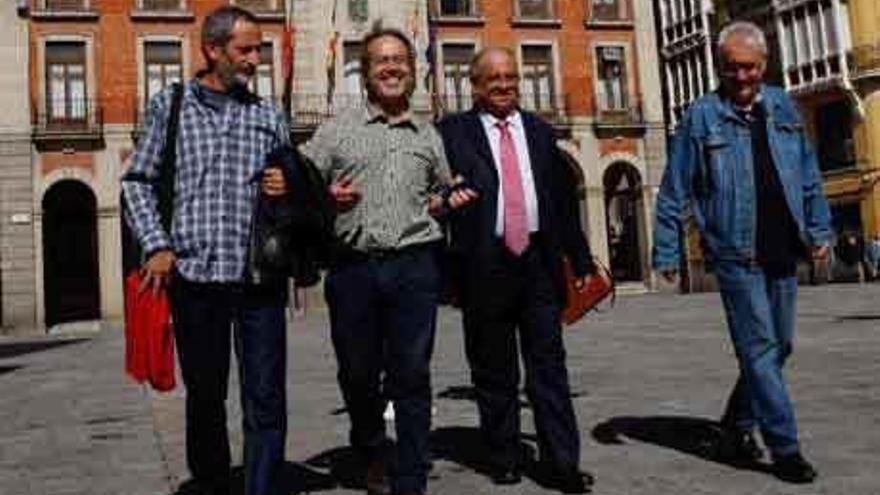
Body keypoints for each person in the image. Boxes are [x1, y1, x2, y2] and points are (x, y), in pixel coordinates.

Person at [652, 21, 833, 484]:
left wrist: (819, 228)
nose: (740, 76)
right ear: (719, 67)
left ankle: (736, 426)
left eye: (749, 68)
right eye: (730, 68)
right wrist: (667, 253)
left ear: (764, 65)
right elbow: (675, 189)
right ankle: (786, 447)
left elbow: (808, 175)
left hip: (783, 247)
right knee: (759, 349)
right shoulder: (702, 116)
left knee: (779, 347)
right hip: (736, 255)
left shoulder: (783, 107)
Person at [122, 7, 292, 495]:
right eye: (245, 50)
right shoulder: (169, 106)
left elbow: (288, 185)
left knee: (265, 394)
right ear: (212, 50)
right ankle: (215, 485)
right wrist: (156, 244)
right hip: (195, 278)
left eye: (258, 49)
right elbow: (137, 181)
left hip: (258, 276)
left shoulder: (268, 114)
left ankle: (262, 486)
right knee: (206, 396)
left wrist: (284, 184)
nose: (255, 59)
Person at [302, 28, 475, 495]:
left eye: (400, 59)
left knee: (412, 372)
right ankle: (371, 449)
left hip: (415, 266)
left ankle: (411, 473)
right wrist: (325, 198)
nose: (392, 67)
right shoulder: (335, 131)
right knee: (357, 373)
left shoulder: (429, 135)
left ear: (413, 71)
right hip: (353, 268)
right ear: (365, 72)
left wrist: (448, 200)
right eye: (381, 60)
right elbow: (301, 190)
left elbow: (438, 192)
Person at [437, 47, 595, 494]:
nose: (504, 84)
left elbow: (561, 203)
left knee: (549, 368)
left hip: (538, 267)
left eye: (510, 76)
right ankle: (503, 455)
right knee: (493, 370)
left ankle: (562, 462)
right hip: (483, 267)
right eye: (494, 78)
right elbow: (434, 194)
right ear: (475, 85)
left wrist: (579, 260)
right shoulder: (452, 133)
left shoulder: (541, 132)